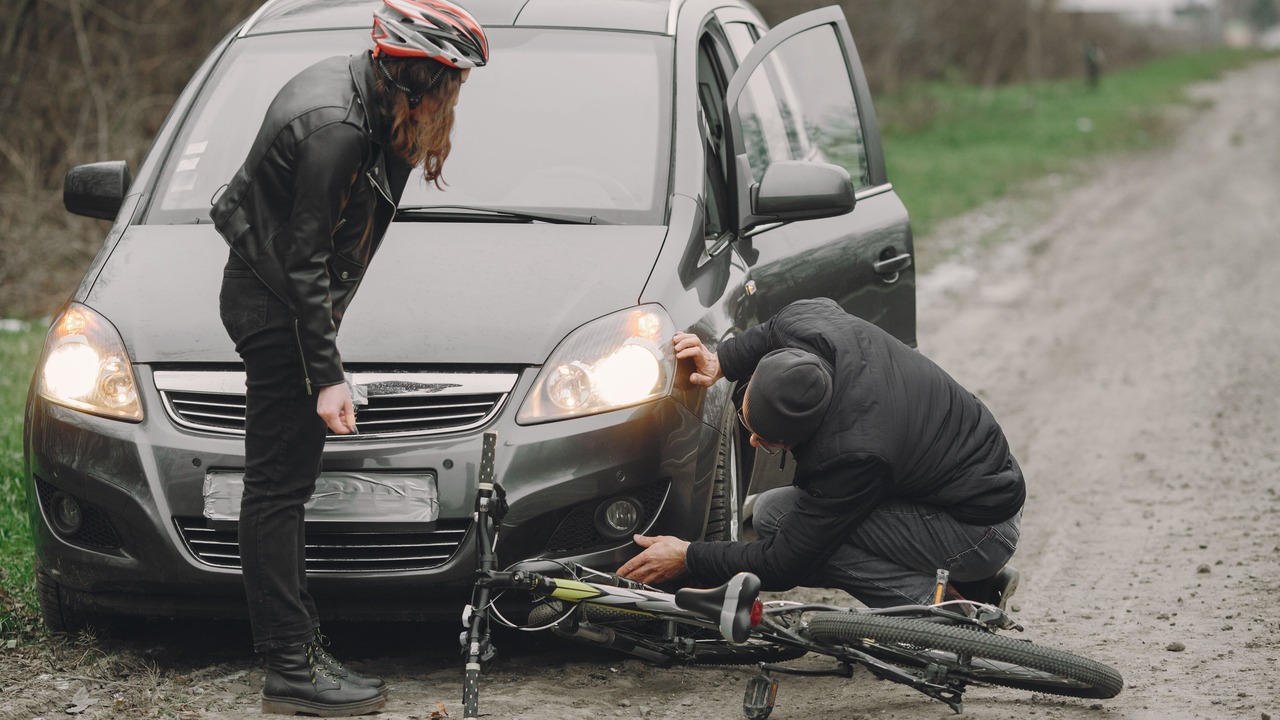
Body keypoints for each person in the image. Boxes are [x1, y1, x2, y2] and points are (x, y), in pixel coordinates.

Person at [210, 1, 487, 715]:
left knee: (284, 488)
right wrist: (327, 377)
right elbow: (303, 261)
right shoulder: (336, 127)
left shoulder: (364, 99)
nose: (454, 99)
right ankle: (290, 670)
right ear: (417, 74)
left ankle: (298, 646)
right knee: (276, 489)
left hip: (281, 297)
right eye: (451, 82)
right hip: (277, 306)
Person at [618, 297, 1024, 611]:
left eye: (770, 441)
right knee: (771, 512)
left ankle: (941, 611)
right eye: (748, 425)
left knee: (791, 525)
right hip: (963, 484)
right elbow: (770, 332)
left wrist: (689, 556)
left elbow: (786, 563)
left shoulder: (853, 455)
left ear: (809, 431)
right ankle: (975, 587)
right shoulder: (810, 324)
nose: (755, 443)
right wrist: (719, 360)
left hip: (980, 530)